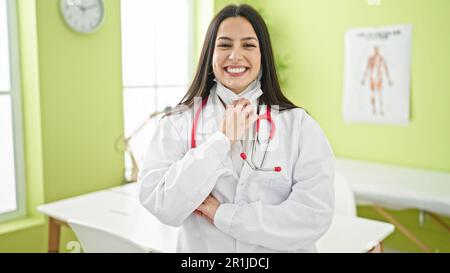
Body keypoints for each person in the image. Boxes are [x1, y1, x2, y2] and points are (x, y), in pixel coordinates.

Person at [139, 4, 335, 253]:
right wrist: (220, 141)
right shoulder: (177, 123)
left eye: (248, 45)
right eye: (224, 45)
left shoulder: (300, 126)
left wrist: (225, 215)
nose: (235, 55)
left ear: (263, 55)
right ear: (210, 55)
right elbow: (163, 204)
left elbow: (313, 216)